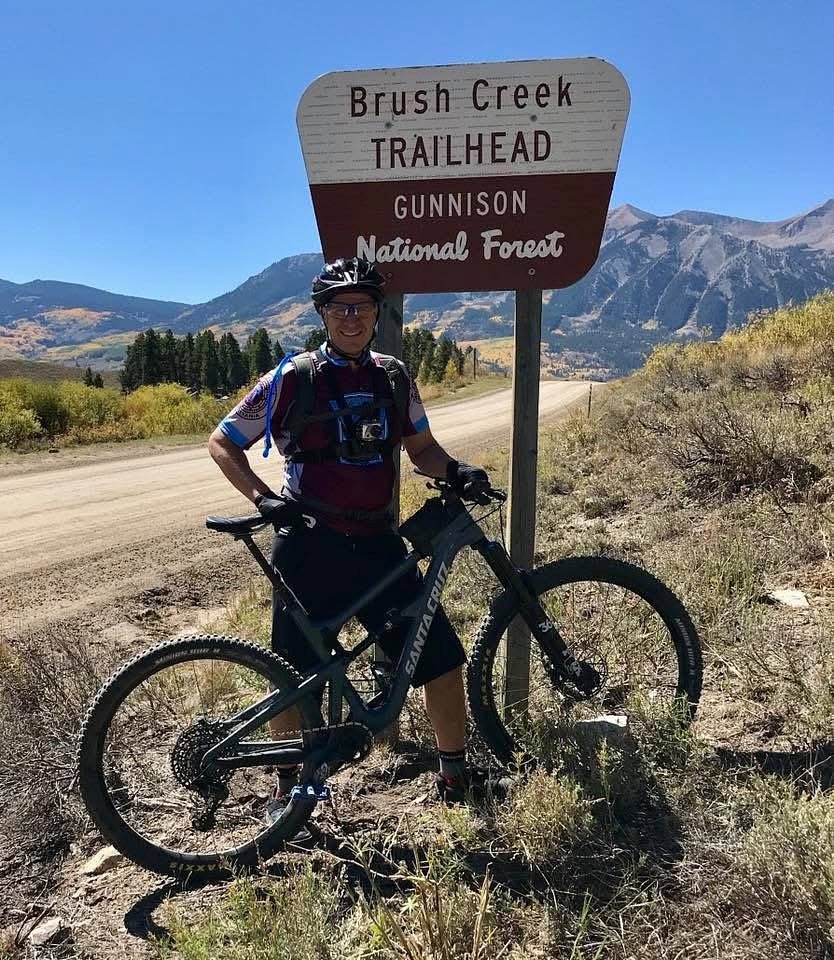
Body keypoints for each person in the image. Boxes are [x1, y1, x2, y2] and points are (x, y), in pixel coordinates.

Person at [208, 255, 494, 820]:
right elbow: (223, 442)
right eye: (339, 308)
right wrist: (264, 501)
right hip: (309, 546)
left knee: (439, 657)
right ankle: (288, 790)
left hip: (380, 545)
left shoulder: (393, 376)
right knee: (290, 676)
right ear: (322, 315)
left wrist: (456, 471)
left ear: (375, 313)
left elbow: (422, 450)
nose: (350, 317)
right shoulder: (291, 378)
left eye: (361, 306)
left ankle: (454, 774)